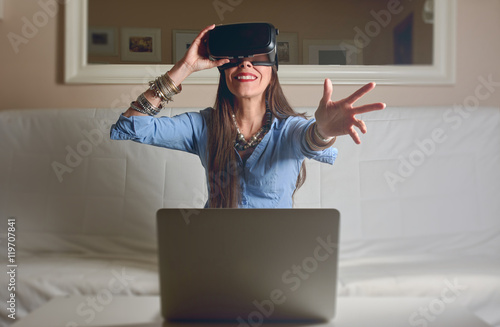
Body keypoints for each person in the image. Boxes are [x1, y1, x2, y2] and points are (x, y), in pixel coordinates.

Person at [110, 24, 386, 208]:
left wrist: (323, 130)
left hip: (276, 255)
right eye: (236, 58)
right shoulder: (203, 127)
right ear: (223, 70)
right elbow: (133, 126)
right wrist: (185, 67)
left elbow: (310, 139)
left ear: (272, 70)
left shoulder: (289, 130)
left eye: (256, 57)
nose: (245, 62)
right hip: (215, 252)